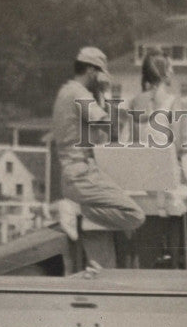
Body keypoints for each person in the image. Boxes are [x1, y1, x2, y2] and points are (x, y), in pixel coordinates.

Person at [51, 46, 145, 254]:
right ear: (93, 71)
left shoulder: (65, 92)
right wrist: (105, 92)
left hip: (72, 176)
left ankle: (77, 208)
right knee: (135, 215)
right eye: (102, 73)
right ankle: (76, 209)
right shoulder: (80, 95)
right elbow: (111, 129)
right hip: (82, 176)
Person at [127, 51, 187, 267]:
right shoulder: (172, 102)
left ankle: (151, 257)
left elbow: (133, 145)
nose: (173, 71)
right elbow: (181, 148)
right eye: (170, 67)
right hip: (167, 185)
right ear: (162, 72)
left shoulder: (135, 102)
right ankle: (185, 260)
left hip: (142, 184)